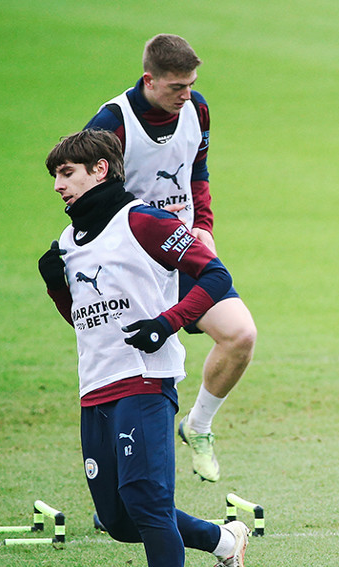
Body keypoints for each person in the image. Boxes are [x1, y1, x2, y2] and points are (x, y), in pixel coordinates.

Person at [38, 130, 252, 567]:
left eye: (68, 173)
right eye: (56, 176)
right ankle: (224, 541)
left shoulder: (143, 221)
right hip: (95, 390)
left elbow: (215, 274)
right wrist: (55, 286)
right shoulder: (67, 244)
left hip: (145, 380)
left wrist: (166, 323)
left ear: (101, 171)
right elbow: (85, 321)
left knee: (148, 501)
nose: (59, 185)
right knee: (118, 519)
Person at [85, 33, 256, 483]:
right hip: (131, 262)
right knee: (130, 377)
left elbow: (197, 173)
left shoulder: (196, 109)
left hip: (182, 249)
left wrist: (205, 228)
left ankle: (198, 427)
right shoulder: (111, 124)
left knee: (240, 335)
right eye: (177, 86)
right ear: (150, 80)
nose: (187, 94)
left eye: (191, 84)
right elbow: (87, 193)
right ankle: (116, 489)